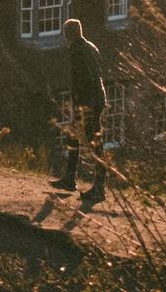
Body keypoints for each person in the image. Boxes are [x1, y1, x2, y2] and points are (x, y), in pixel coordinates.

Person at [55, 16, 107, 205]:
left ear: (69, 35)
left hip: (89, 101)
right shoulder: (92, 48)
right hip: (96, 99)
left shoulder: (77, 51)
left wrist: (79, 104)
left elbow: (85, 80)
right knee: (74, 137)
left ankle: (99, 187)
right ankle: (70, 178)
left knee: (94, 143)